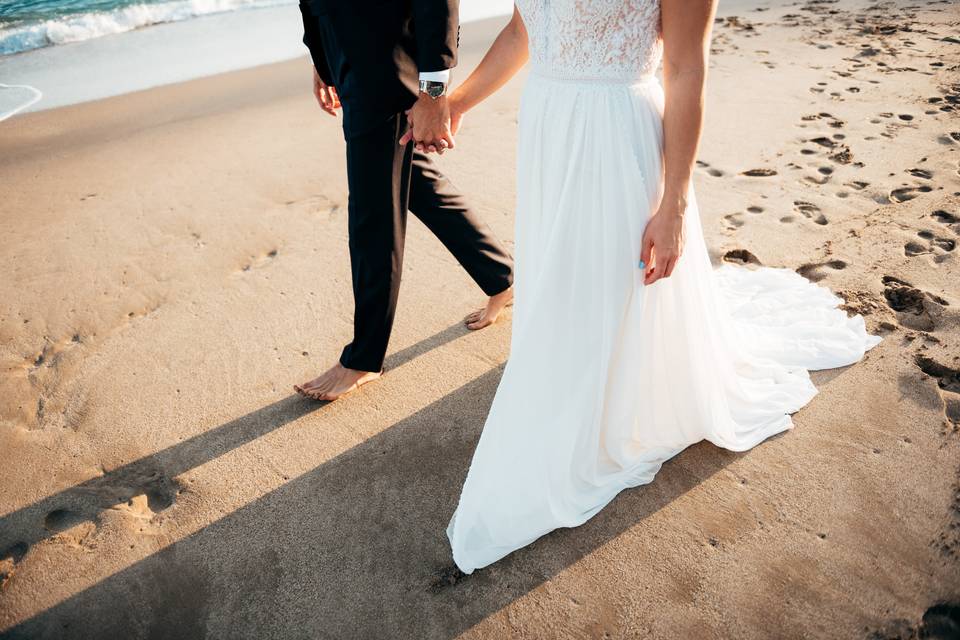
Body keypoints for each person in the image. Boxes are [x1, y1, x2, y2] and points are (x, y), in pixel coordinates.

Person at [404, 0, 881, 574]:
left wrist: (674, 204)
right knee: (567, 275)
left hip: (616, 136)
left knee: (614, 279)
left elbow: (686, 70)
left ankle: (605, 399)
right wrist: (456, 101)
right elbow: (522, 29)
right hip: (549, 125)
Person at [294, 0, 515, 402]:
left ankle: (364, 357)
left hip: (386, 66)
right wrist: (323, 58)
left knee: (373, 213)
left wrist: (433, 93)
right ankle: (502, 277)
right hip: (347, 56)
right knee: (411, 181)